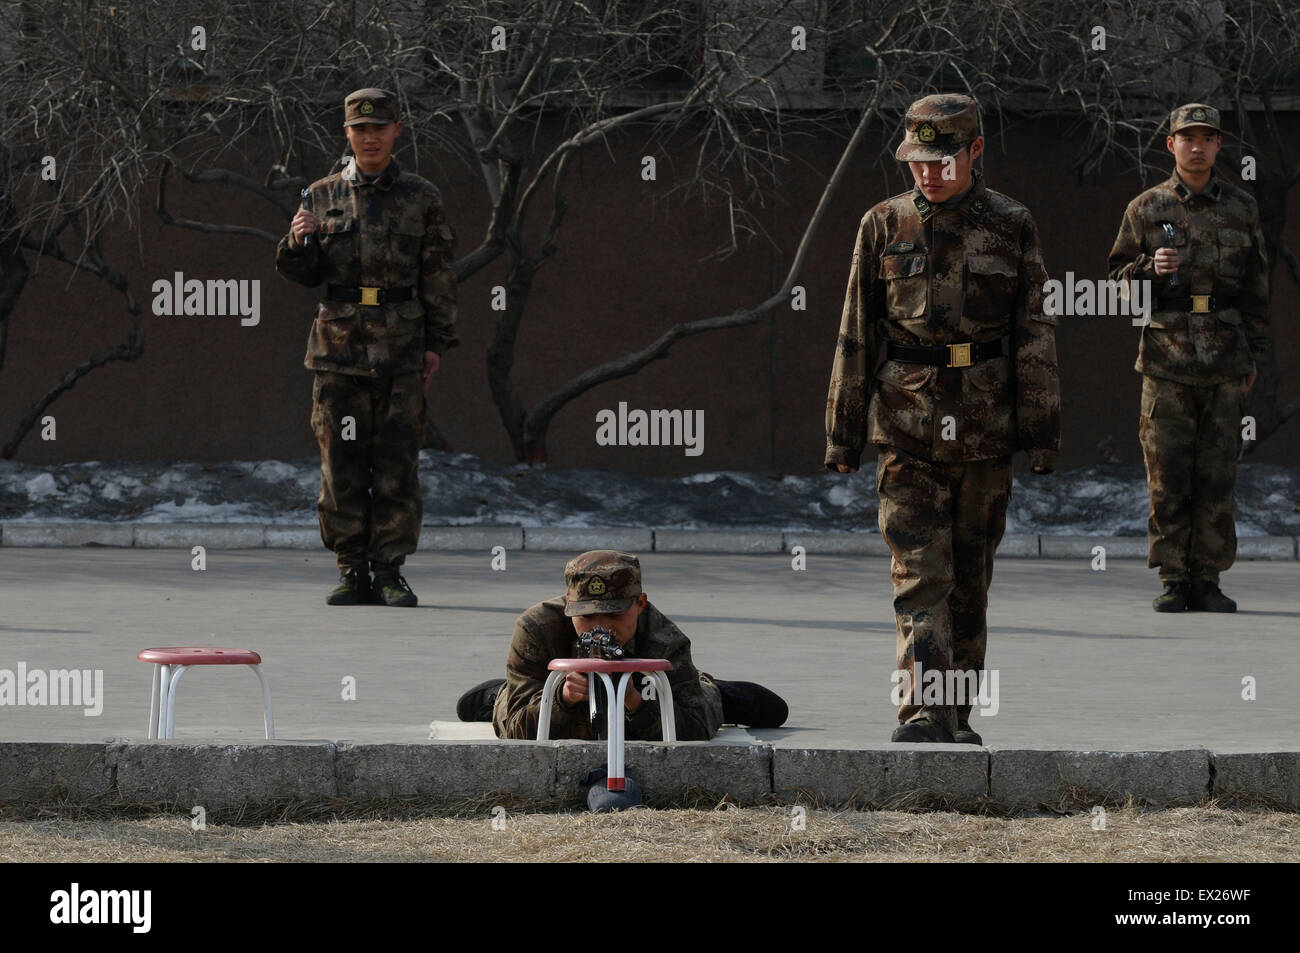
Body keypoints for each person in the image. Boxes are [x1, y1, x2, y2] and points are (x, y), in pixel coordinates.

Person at [824, 93, 1060, 745]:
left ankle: (957, 715)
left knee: (968, 581)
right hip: (905, 424)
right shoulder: (883, 224)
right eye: (917, 161)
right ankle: (924, 709)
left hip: (984, 430)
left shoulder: (1012, 224)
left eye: (942, 159)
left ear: (976, 150)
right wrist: (843, 433)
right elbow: (856, 331)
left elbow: (1033, 331)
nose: (927, 173)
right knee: (919, 576)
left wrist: (1041, 431)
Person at [275, 87, 458, 607]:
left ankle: (389, 571)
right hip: (338, 351)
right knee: (341, 463)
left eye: (380, 127)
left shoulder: (422, 196)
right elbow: (301, 273)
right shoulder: (321, 194)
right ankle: (351, 569)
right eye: (360, 128)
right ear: (348, 134)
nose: (370, 137)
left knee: (398, 463)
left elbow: (439, 273)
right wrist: (297, 239)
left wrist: (438, 342)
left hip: (402, 349)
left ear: (398, 131)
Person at [1108, 103, 1270, 614]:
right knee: (1168, 474)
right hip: (1166, 361)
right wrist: (1147, 269)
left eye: (1207, 137)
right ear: (1170, 145)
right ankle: (1174, 577)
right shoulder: (1145, 208)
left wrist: (1254, 358)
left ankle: (1209, 578)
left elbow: (1256, 290)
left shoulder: (1242, 208)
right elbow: (1115, 282)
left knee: (1218, 475)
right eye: (1187, 137)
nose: (1196, 146)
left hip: (1224, 359)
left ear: (1219, 146)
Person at [456, 551, 788, 740]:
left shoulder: (663, 639)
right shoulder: (537, 629)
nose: (601, 628)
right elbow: (515, 731)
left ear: (640, 604)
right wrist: (562, 698)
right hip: (545, 692)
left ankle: (716, 690)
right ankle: (497, 694)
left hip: (649, 695)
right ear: (569, 608)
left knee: (739, 706)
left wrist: (637, 704)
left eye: (614, 616)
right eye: (586, 618)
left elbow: (695, 728)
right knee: (491, 707)